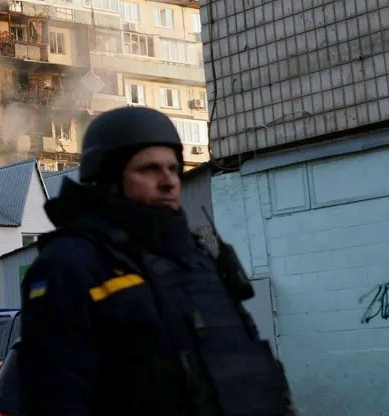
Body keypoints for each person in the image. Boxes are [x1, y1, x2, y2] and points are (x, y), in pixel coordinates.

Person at [19, 107, 294, 416]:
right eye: (149, 169)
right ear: (110, 178)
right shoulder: (69, 264)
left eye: (174, 169)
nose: (169, 182)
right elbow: (57, 396)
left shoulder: (197, 257)